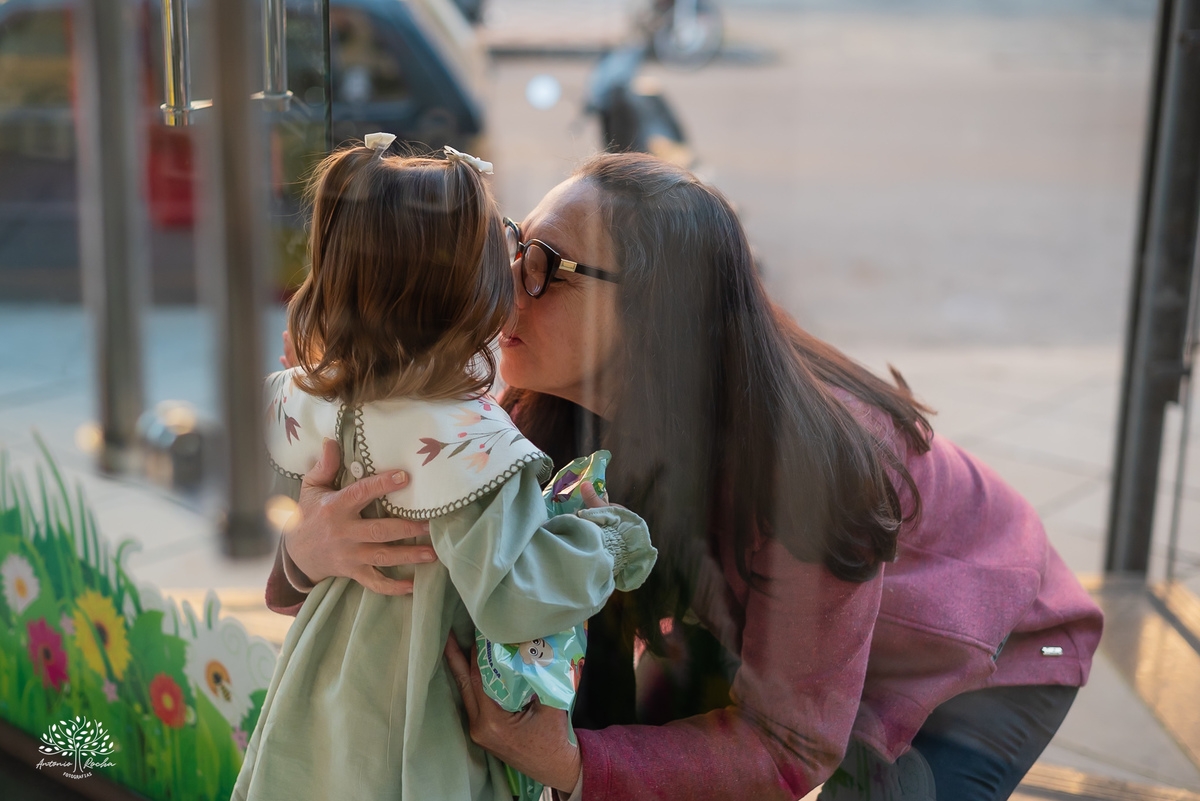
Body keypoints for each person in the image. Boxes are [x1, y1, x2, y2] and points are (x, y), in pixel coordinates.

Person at [266, 152, 1104, 801]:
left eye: (546, 268)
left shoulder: (811, 467)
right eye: (514, 247)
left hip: (986, 647)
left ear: (655, 312)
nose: (505, 287)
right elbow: (406, 568)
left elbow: (790, 741)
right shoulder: (517, 395)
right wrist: (310, 550)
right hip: (772, 631)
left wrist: (573, 761)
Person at [233, 137, 656, 801]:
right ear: (473, 297)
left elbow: (286, 505)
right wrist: (608, 540)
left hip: (317, 722)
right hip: (420, 734)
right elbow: (516, 596)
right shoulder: (476, 443)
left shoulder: (318, 394)